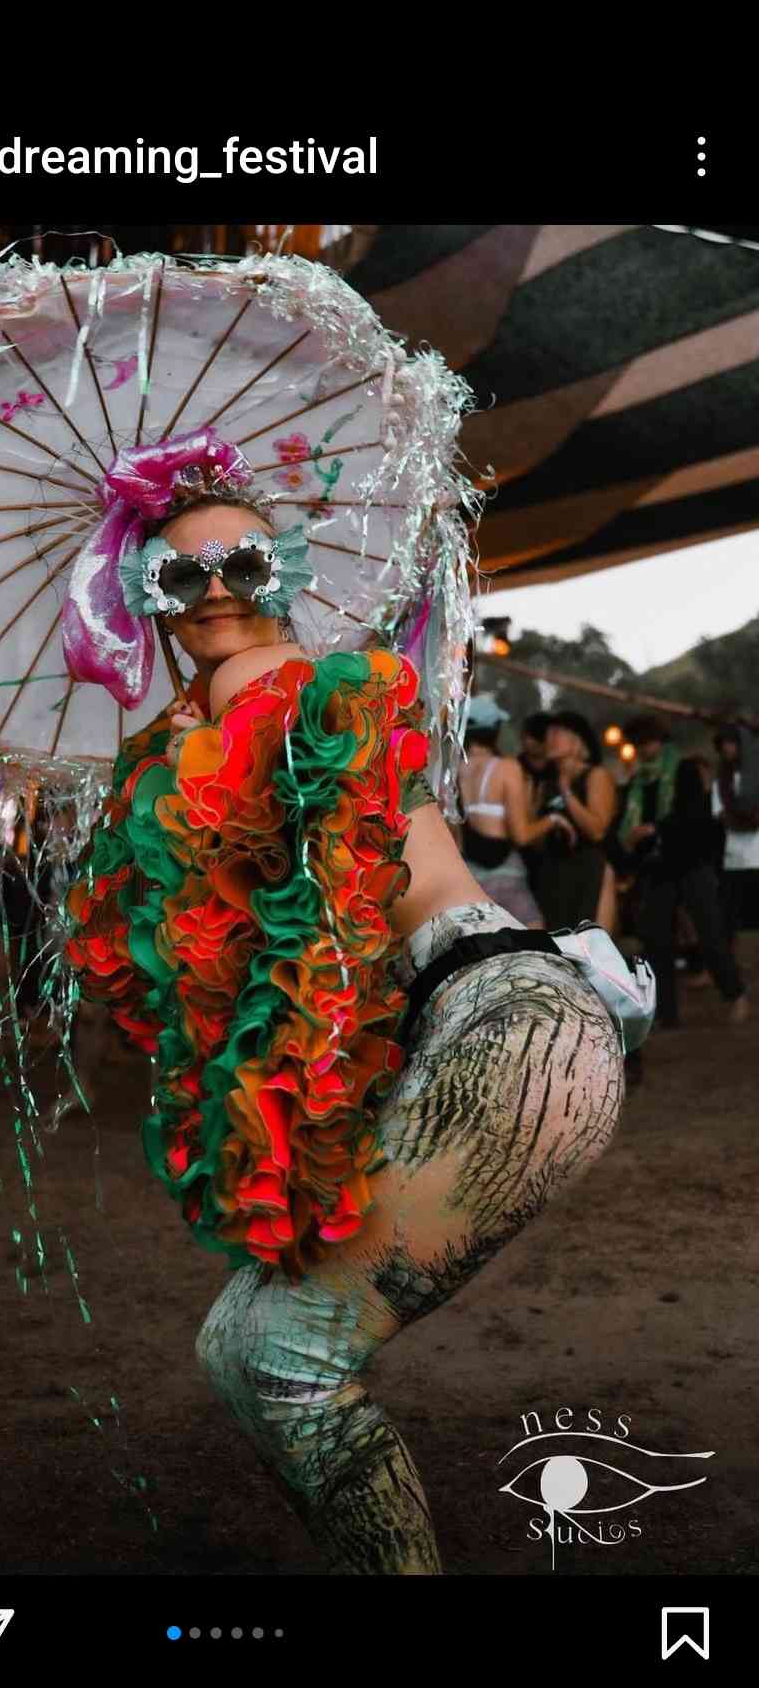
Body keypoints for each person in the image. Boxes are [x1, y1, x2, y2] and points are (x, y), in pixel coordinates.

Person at [66, 436, 625, 1577]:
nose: (215, 593)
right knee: (247, 1346)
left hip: (504, 1022)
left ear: (283, 573)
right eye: (180, 576)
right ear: (146, 596)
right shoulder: (221, 717)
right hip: (514, 1026)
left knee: (277, 1357)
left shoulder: (271, 682)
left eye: (243, 565)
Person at [621, 712, 748, 1027]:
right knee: (656, 941)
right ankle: (666, 1013)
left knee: (709, 932)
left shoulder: (684, 769)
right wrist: (635, 840)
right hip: (657, 867)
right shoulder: (638, 781)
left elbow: (695, 816)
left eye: (648, 742)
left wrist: (655, 829)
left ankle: (735, 994)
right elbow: (631, 822)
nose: (644, 748)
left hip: (691, 861)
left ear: (660, 741)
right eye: (639, 743)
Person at [458, 693, 574, 926]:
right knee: (536, 938)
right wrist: (554, 819)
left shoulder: (457, 769)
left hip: (470, 877)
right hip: (505, 877)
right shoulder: (507, 768)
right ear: (495, 730)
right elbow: (521, 836)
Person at [537, 710, 617, 932]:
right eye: (548, 733)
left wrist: (566, 791)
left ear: (577, 741)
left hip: (587, 869)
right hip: (553, 870)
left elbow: (597, 830)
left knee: (587, 941)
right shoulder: (546, 783)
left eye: (557, 732)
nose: (549, 738)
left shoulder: (596, 775)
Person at [712, 723, 759, 944]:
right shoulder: (721, 778)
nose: (727, 749)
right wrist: (739, 820)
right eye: (724, 745)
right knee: (736, 913)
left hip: (757, 852)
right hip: (734, 856)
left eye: (731, 743)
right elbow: (719, 812)